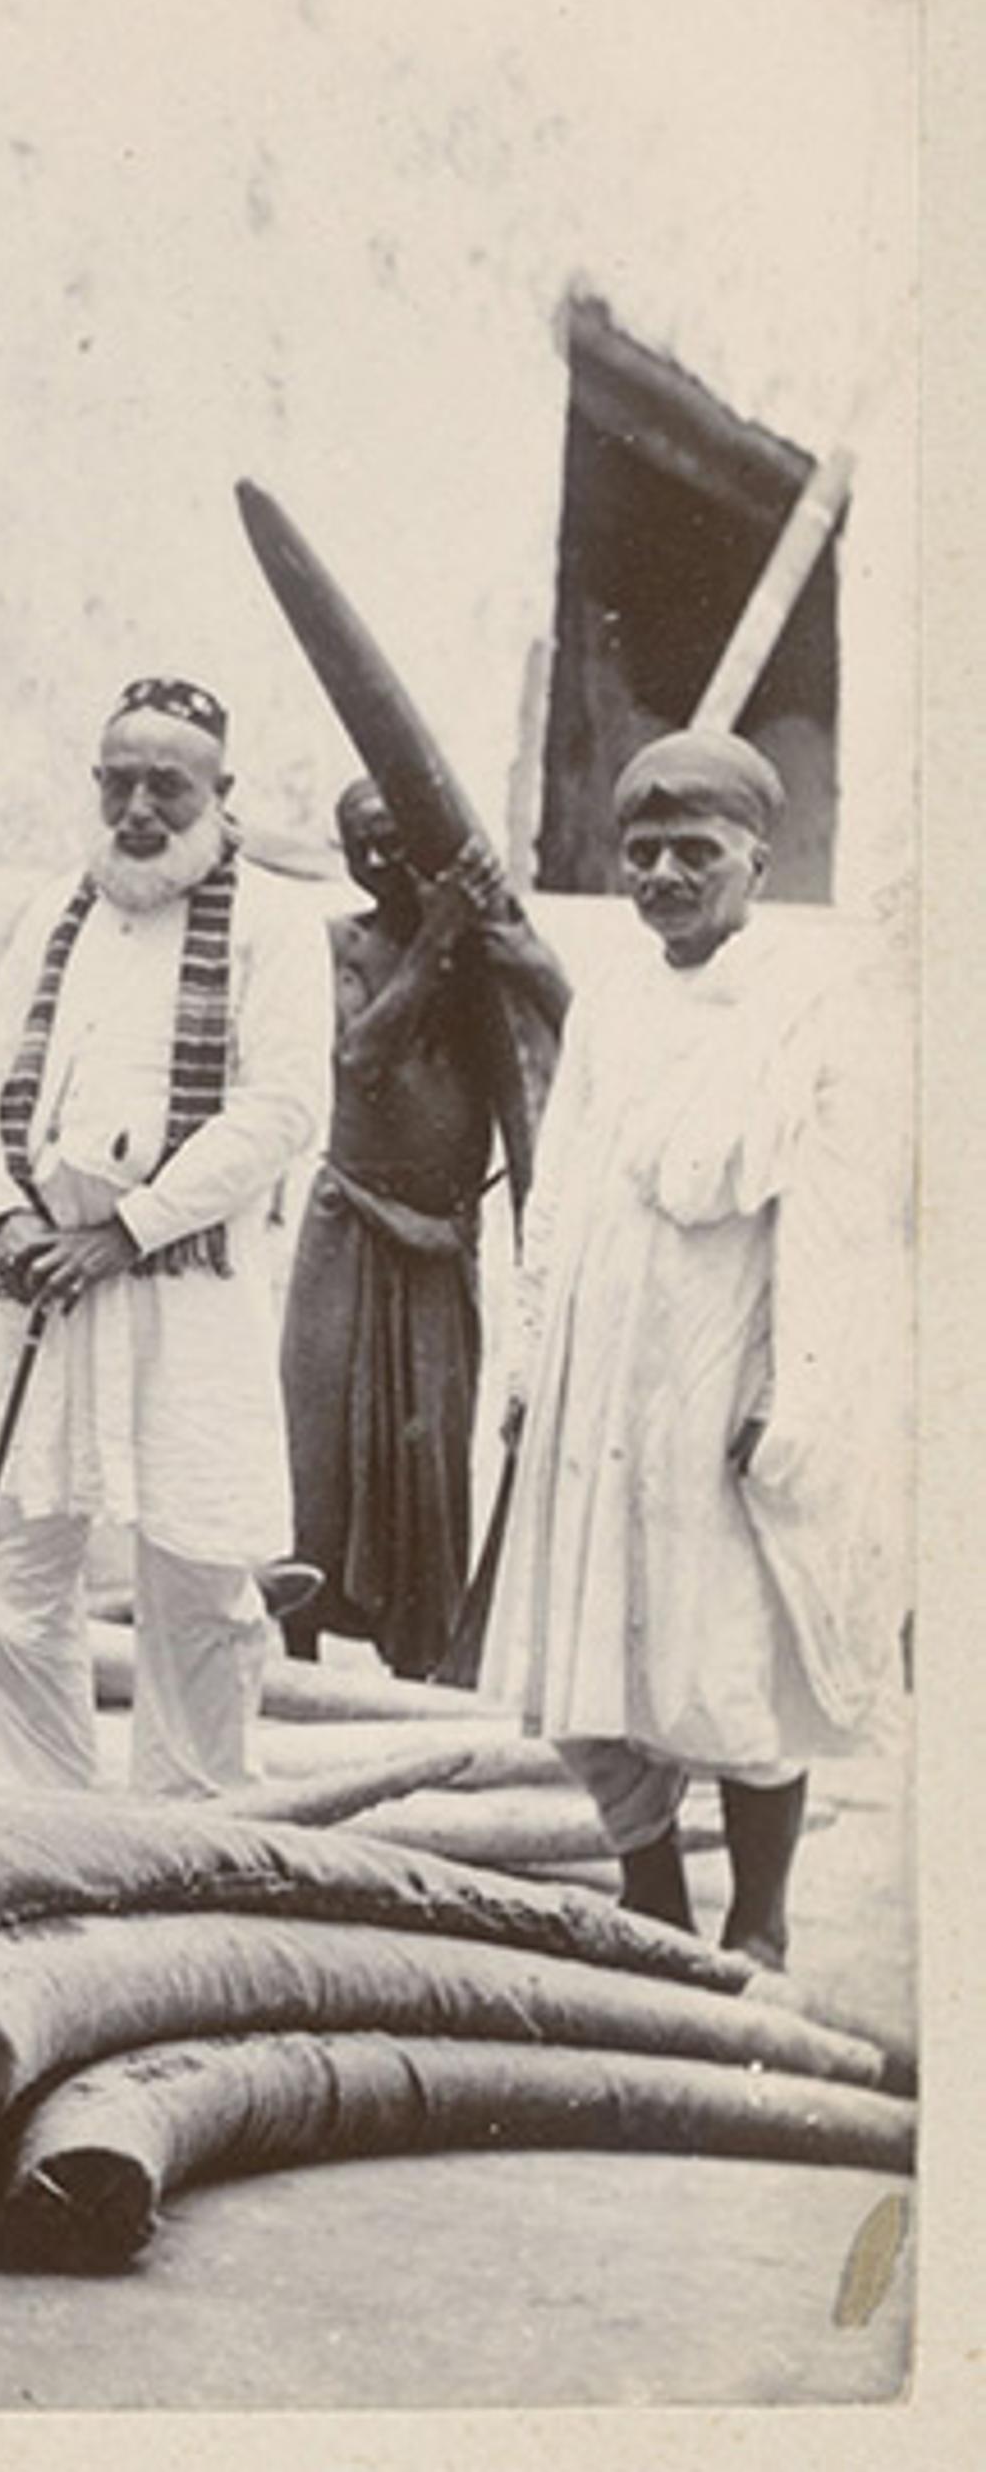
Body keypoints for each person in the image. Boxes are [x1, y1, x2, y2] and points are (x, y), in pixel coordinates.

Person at [476, 732, 897, 1968]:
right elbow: (560, 1182)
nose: (663, 874)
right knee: (596, 1643)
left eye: (693, 852)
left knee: (730, 1651)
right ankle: (647, 1886)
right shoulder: (609, 991)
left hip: (726, 1365)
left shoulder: (815, 998)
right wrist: (530, 1356)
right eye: (643, 852)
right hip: (602, 1364)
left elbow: (838, 1214)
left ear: (756, 861)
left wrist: (798, 1391)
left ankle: (759, 1919)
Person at [0, 677, 331, 1797]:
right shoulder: (52, 910)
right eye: (119, 780)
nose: (140, 807)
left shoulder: (274, 921)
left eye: (168, 782)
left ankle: (187, 1826)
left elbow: (281, 1109)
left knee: (200, 1577)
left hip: (188, 1290)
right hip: (46, 1289)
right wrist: (11, 1214)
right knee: (12, 1569)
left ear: (222, 791)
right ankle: (45, 1818)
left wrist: (126, 1230)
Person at [276, 778, 569, 1673]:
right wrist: (436, 939)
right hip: (348, 1229)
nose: (381, 861)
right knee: (323, 1457)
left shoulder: (485, 964)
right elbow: (359, 1059)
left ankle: (422, 1672)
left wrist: (513, 951)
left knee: (431, 1463)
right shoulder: (344, 945)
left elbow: (582, 1036)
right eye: (361, 844)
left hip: (441, 1246)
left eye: (397, 839)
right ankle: (300, 1664)